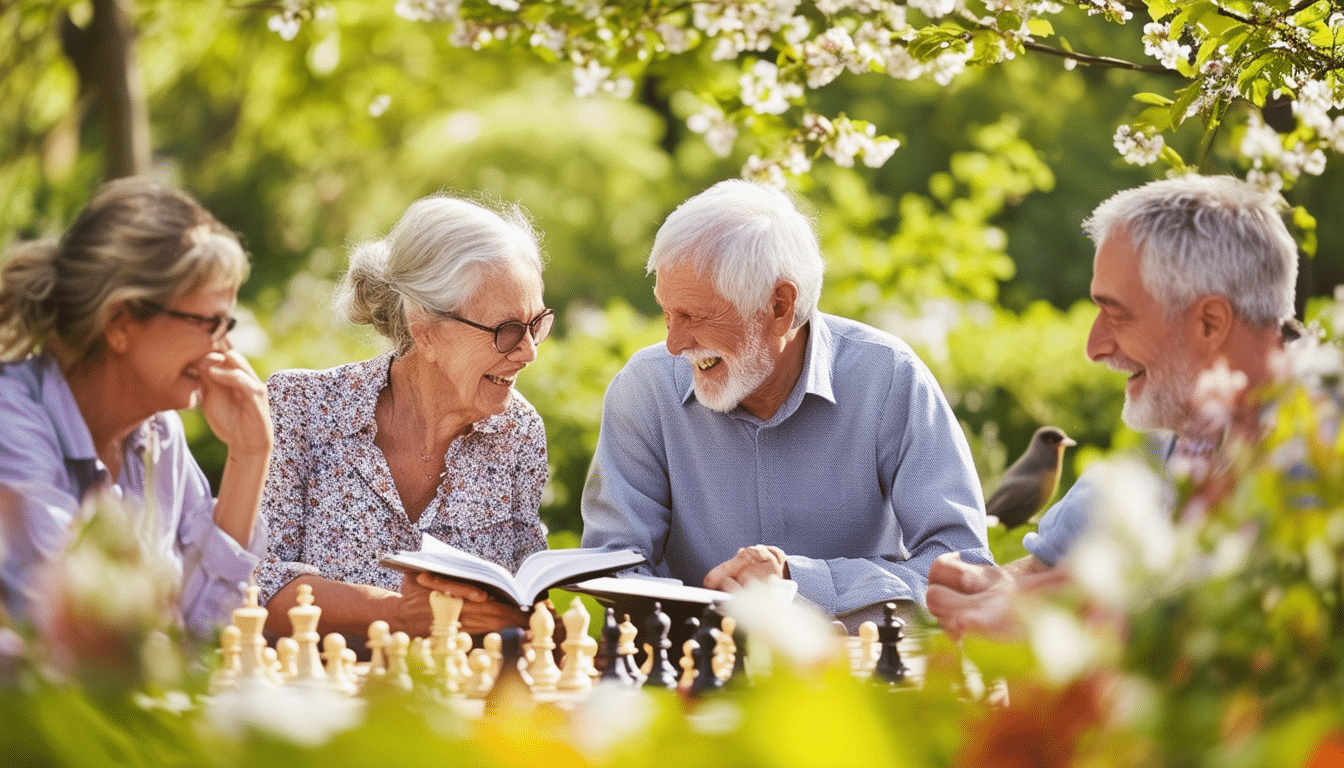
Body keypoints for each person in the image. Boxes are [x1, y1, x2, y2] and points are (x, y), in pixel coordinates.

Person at [580, 179, 992, 630]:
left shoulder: (889, 378)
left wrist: (799, 582)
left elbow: (964, 574)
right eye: (666, 313)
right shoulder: (644, 389)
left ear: (779, 305)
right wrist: (716, 624)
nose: (674, 344)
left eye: (695, 316)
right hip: (694, 683)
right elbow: (615, 567)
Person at [926, 174, 1301, 638]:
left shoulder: (1319, 448)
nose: (1094, 347)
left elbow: (1249, 616)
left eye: (1116, 313)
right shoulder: (1183, 434)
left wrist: (1072, 609)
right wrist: (995, 583)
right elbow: (1048, 568)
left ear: (1209, 323)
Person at [255, 194, 552, 639]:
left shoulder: (519, 432)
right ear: (426, 331)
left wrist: (527, 618)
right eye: (507, 331)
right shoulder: (300, 406)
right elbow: (255, 585)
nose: (528, 352)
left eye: (537, 325)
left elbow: (525, 602)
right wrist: (398, 614)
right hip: (317, 699)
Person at [0, 177, 272, 639]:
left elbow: (200, 637)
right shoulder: (11, 422)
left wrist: (249, 460)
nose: (224, 348)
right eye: (209, 323)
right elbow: (82, 636)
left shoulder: (158, 434)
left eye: (227, 323)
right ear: (120, 321)